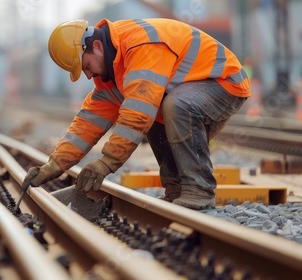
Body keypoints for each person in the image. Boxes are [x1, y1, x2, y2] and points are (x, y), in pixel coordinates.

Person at [22, 18, 250, 210]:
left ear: (97, 47)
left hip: (222, 83)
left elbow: (138, 114)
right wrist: (52, 166)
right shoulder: (111, 76)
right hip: (189, 91)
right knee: (159, 109)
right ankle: (176, 189)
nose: (89, 76)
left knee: (169, 106)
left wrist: (107, 162)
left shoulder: (139, 45)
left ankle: (199, 190)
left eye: (87, 66)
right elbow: (86, 124)